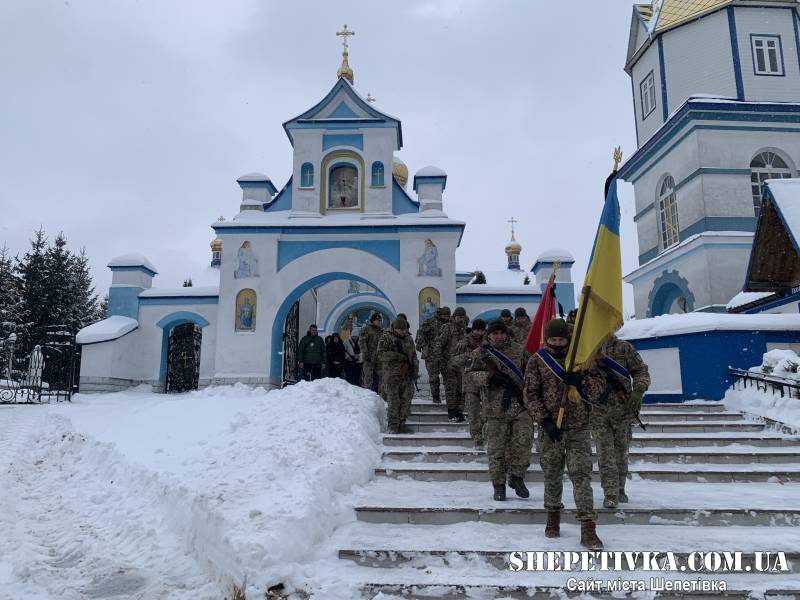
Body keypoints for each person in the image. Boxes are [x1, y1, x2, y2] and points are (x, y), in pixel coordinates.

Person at [525, 318, 606, 549]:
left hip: (578, 427)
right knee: (552, 474)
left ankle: (588, 527)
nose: (558, 343)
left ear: (568, 339)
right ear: (547, 339)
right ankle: (553, 516)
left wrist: (581, 380)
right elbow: (530, 394)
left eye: (562, 339)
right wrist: (544, 420)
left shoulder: (581, 360)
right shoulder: (537, 361)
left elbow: (599, 390)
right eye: (553, 339)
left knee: (581, 476)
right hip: (552, 428)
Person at [467, 320, 530, 500]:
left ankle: (517, 477)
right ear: (489, 335)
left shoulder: (519, 351)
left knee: (523, 443)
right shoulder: (479, 354)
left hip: (519, 407)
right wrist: (487, 378)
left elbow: (531, 374)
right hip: (494, 411)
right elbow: (468, 376)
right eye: (495, 333)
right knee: (496, 450)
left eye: (502, 333)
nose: (499, 336)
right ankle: (499, 485)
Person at [592, 334, 651, 507]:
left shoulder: (624, 347)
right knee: (605, 454)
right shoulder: (588, 349)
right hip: (598, 411)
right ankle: (610, 493)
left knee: (620, 453)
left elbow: (641, 370)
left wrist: (638, 390)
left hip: (623, 410)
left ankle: (620, 489)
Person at [377, 318, 419, 434]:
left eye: (405, 329)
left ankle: (402, 424)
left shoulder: (409, 339)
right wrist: (397, 356)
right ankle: (393, 426)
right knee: (394, 401)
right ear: (395, 328)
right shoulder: (386, 337)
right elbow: (380, 355)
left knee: (406, 400)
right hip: (391, 375)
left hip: (406, 375)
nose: (403, 332)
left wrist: (415, 369)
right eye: (401, 329)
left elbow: (413, 355)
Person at [453, 319, 487, 448]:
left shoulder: (489, 342)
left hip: (486, 383)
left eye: (482, 330)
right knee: (473, 412)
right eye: (477, 330)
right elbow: (454, 360)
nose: (479, 333)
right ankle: (477, 438)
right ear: (473, 330)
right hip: (470, 383)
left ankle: (486, 435)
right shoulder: (464, 342)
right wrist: (470, 355)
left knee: (487, 413)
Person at [435, 306, 469, 422]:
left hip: (461, 365)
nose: (461, 319)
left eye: (463, 317)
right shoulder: (447, 327)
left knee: (461, 389)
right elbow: (439, 343)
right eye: (459, 317)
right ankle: (451, 412)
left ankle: (459, 412)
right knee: (451, 389)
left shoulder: (464, 330)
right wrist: (439, 361)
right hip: (448, 363)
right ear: (454, 317)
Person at [416, 307, 450, 404]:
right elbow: (420, 332)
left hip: (445, 354)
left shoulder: (450, 323)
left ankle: (450, 399)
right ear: (440, 314)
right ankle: (436, 398)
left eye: (448, 316)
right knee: (433, 377)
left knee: (448, 377)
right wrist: (420, 344)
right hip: (432, 353)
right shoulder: (430, 321)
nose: (446, 318)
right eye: (445, 316)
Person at [360, 313, 384, 391]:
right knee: (368, 377)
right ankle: (367, 394)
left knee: (381, 376)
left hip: (379, 358)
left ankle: (380, 393)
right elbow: (362, 342)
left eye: (380, 320)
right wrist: (365, 353)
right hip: (369, 357)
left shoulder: (381, 330)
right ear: (373, 320)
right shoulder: (366, 329)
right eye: (377, 320)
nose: (379, 322)